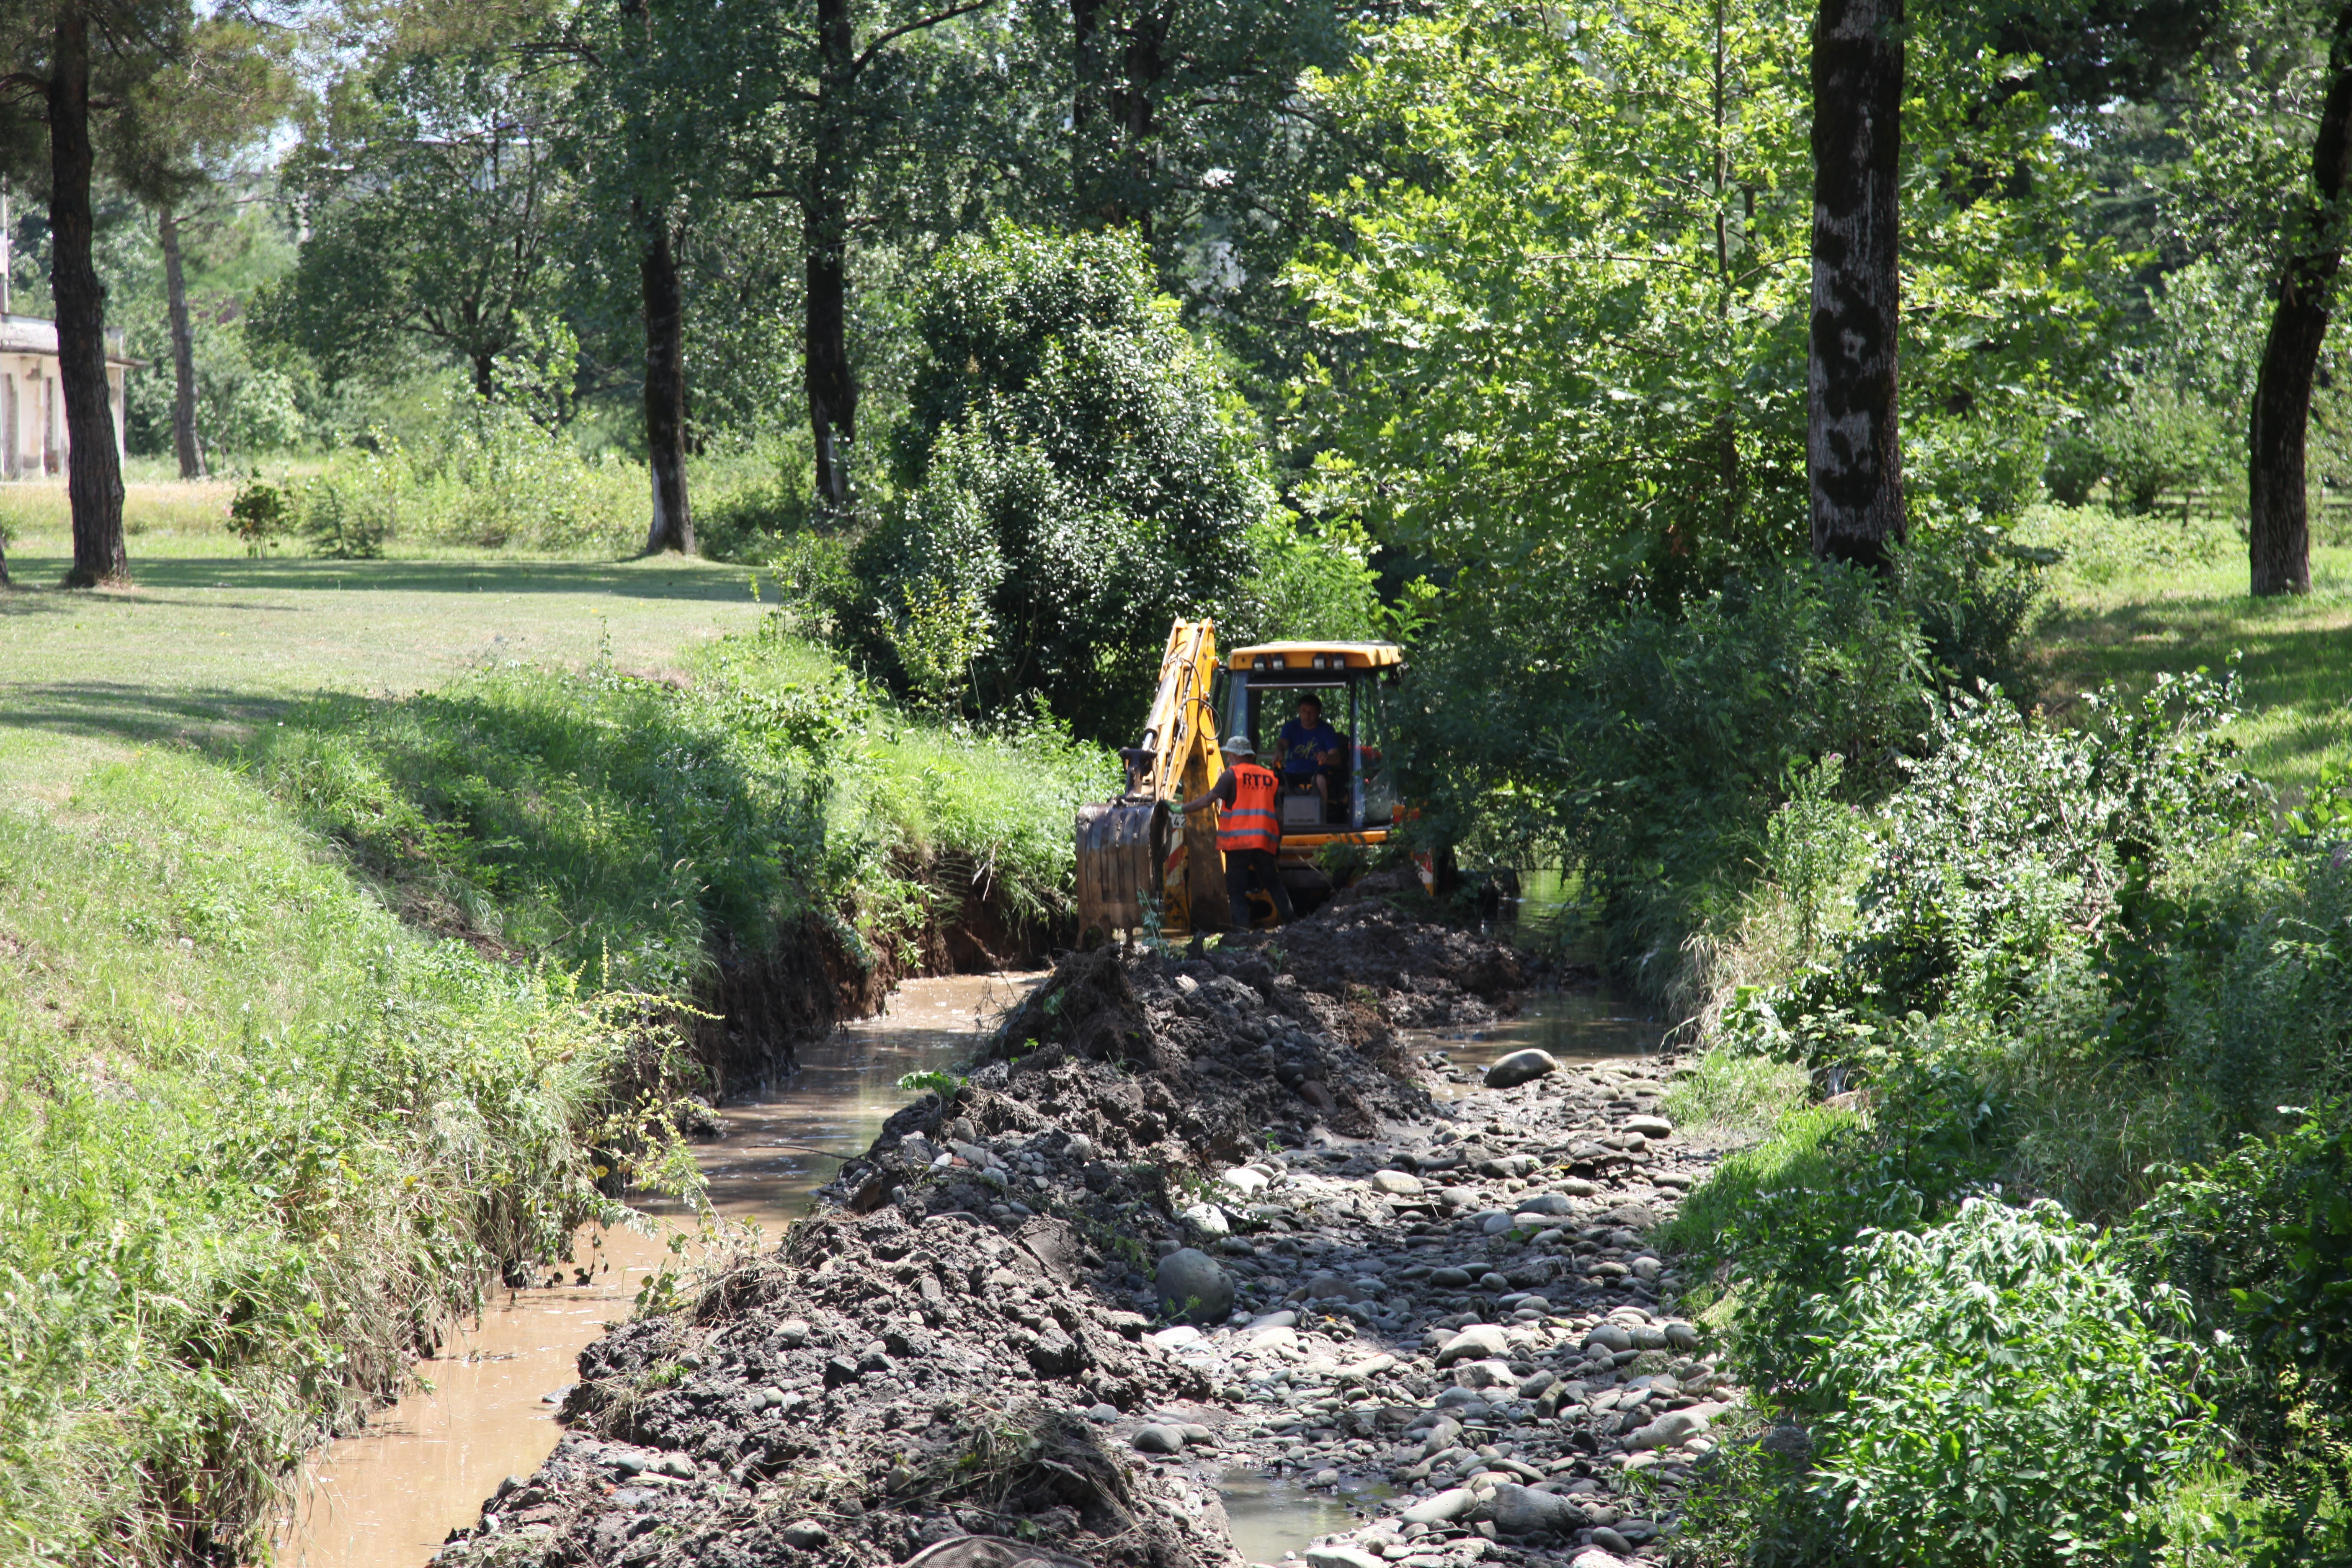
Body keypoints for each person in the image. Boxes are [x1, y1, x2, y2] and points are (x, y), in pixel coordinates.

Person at [1179, 735, 1295, 929]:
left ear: (1235, 755)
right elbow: (1280, 816)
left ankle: (1241, 935)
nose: (1228, 759)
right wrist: (1277, 845)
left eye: (1229, 755)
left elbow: (1208, 800)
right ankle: (1294, 926)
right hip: (1264, 844)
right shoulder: (1270, 777)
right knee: (1275, 885)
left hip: (1238, 844)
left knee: (1236, 890)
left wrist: (1182, 809)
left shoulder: (1232, 775)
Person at [1275, 694, 1347, 806]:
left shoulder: (1326, 730)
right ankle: (1279, 819)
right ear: (1299, 710)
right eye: (1304, 711)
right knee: (1275, 784)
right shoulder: (1291, 727)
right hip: (1291, 772)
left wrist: (1327, 758)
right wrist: (1279, 752)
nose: (1307, 715)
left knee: (1320, 781)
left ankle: (1321, 817)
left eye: (1312, 712)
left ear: (1319, 713)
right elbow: (1282, 744)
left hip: (1317, 772)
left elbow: (1336, 758)